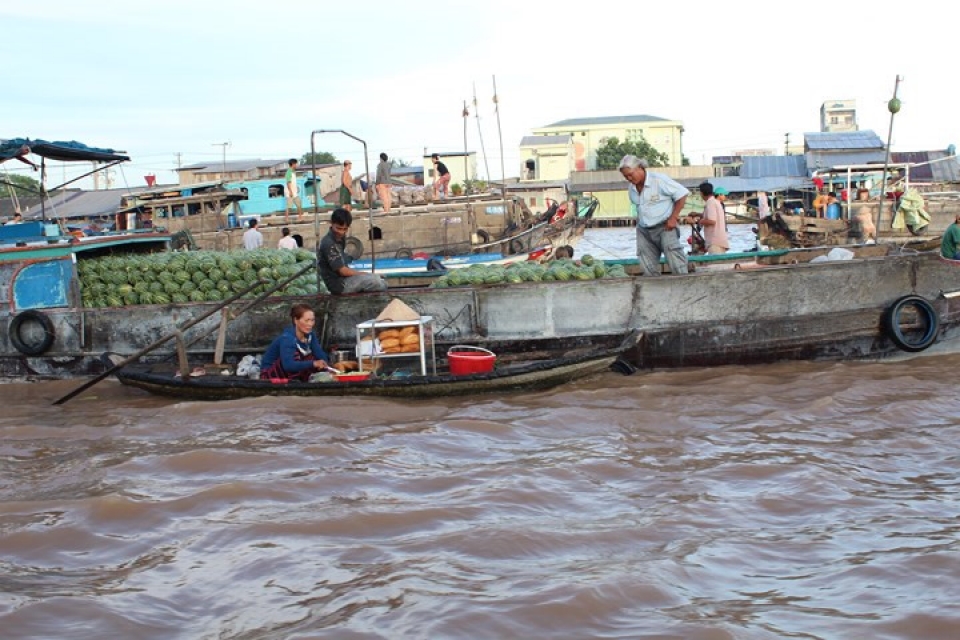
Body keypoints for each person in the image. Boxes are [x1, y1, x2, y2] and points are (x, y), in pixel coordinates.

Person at [618, 154, 689, 276]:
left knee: (675, 259)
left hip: (665, 226)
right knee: (646, 262)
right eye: (626, 176)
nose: (629, 178)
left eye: (631, 174)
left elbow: (682, 194)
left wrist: (673, 217)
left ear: (640, 168)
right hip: (644, 230)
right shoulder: (631, 188)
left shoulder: (659, 180)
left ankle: (685, 284)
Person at [318, 207, 388, 294]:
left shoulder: (341, 238)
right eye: (338, 228)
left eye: (345, 229)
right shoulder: (328, 243)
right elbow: (342, 271)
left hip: (344, 279)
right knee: (377, 282)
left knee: (381, 281)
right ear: (331, 224)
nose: (341, 232)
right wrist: (366, 274)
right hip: (339, 284)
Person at [259, 303, 331, 381]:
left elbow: (319, 354)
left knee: (312, 358)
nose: (310, 324)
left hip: (290, 370)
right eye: (307, 320)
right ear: (296, 320)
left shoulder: (310, 335)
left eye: (312, 320)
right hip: (270, 375)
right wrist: (313, 363)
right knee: (298, 356)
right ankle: (297, 383)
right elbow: (288, 365)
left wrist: (326, 364)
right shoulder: (288, 338)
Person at [686, 182, 729, 254]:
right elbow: (709, 216)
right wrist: (697, 215)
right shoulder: (715, 202)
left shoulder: (711, 203)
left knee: (715, 264)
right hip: (718, 240)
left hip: (715, 242)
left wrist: (696, 222)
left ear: (702, 193)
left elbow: (712, 221)